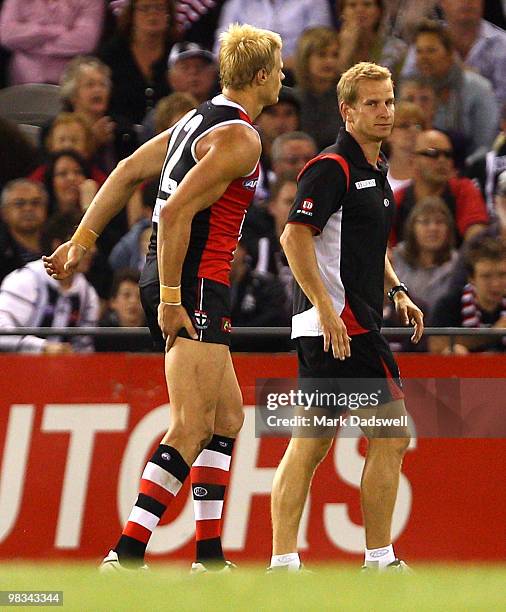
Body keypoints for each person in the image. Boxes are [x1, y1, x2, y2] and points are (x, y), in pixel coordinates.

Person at [43, 22, 284, 573]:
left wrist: (83, 240)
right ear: (264, 75)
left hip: (185, 277)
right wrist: (173, 296)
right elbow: (175, 213)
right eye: (279, 69)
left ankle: (209, 557)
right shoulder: (241, 137)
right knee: (192, 425)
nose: (282, 79)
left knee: (225, 419)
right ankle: (126, 553)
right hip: (192, 280)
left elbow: (128, 171)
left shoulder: (194, 120)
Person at [268, 62, 424, 572]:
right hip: (342, 327)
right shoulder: (332, 167)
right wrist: (323, 308)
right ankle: (379, 559)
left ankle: (283, 562)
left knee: (308, 445)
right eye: (373, 103)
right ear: (347, 110)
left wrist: (396, 288)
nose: (385, 112)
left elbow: (363, 244)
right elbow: (294, 236)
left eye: (389, 100)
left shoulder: (373, 171)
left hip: (340, 323)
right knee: (392, 435)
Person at [401, 20, 499, 164]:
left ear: (449, 53)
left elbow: (486, 146)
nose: (424, 58)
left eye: (431, 50)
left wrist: (458, 171)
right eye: (419, 51)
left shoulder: (478, 89)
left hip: (468, 170)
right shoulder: (410, 91)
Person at [0, 214, 99, 353]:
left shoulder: (88, 294)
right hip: (15, 369)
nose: (93, 250)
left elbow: (84, 348)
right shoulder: (25, 279)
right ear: (58, 246)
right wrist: (42, 348)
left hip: (63, 371)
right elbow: (2, 333)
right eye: (85, 244)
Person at [392, 129, 489, 246]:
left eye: (448, 155)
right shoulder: (397, 200)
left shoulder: (464, 190)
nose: (442, 160)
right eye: (433, 154)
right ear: (413, 160)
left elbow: (477, 238)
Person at [99, 0, 177, 124]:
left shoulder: (178, 53)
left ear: (169, 14)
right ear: (132, 15)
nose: (152, 14)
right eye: (145, 8)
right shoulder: (111, 54)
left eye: (159, 7)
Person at [429, 237, 506, 354]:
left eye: (502, 275)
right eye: (486, 276)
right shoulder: (450, 304)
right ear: (471, 278)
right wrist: (494, 333)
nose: (495, 284)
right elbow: (435, 344)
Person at [0, 0, 104, 85]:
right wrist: (54, 31)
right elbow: (6, 35)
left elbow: (85, 42)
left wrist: (31, 43)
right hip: (21, 82)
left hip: (69, 85)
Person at [213, 0, 333, 69]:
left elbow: (319, 47)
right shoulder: (236, 5)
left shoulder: (313, 2)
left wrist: (270, 67)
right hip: (249, 77)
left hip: (296, 76)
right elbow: (221, 52)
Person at [391, 196, 458, 317]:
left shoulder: (457, 264)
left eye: (440, 222)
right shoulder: (395, 259)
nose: (433, 228)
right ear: (412, 227)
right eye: (425, 222)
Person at [293, 27, 343, 151]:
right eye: (322, 55)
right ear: (305, 58)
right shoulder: (293, 100)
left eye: (335, 55)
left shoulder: (346, 97)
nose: (330, 62)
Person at [336, 0, 408, 80]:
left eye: (367, 4)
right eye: (352, 5)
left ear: (379, 11)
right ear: (342, 13)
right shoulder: (330, 45)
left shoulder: (396, 49)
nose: (360, 10)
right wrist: (346, 51)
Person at [0, 179, 49, 282]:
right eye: (19, 203)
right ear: (4, 212)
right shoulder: (3, 252)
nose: (28, 208)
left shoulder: (57, 245)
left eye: (35, 203)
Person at [95, 268, 154, 352]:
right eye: (126, 295)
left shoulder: (156, 335)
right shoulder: (102, 335)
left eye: (139, 296)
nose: (133, 301)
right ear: (113, 302)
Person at [384, 101, 425, 192]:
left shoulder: (428, 176)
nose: (414, 130)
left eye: (418, 126)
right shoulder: (377, 176)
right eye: (404, 126)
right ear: (388, 133)